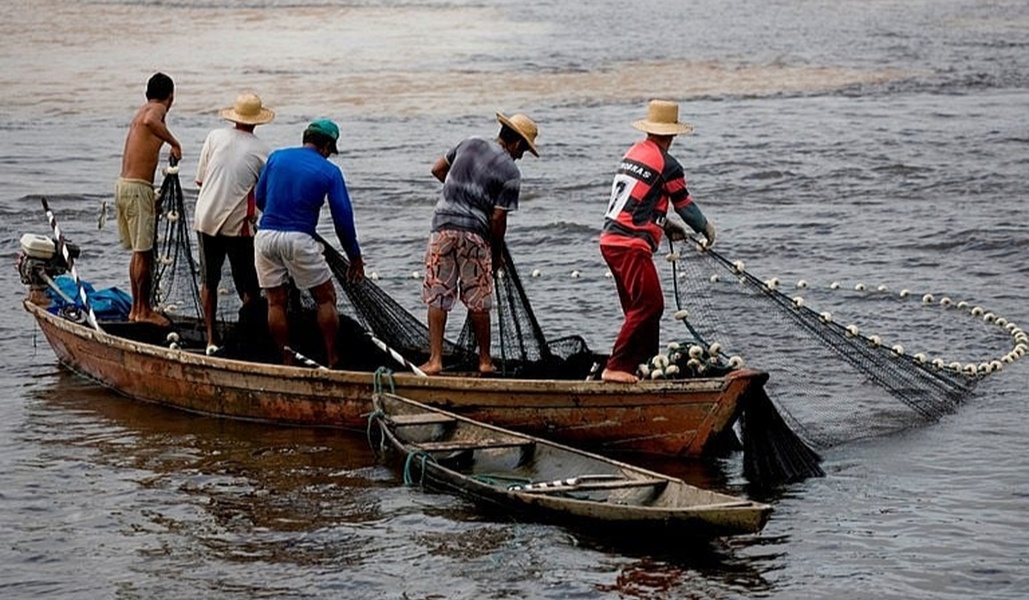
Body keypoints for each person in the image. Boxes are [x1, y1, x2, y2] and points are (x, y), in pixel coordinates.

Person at [599, 100, 716, 383]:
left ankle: (646, 363)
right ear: (673, 134)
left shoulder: (634, 152)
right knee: (650, 306)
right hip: (631, 245)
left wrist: (665, 225)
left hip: (611, 240)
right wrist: (705, 228)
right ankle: (615, 367)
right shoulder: (668, 165)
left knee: (638, 309)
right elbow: (685, 206)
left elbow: (639, 200)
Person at [419, 111, 540, 376]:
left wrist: (460, 190)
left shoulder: (469, 142)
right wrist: (497, 254)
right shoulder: (511, 172)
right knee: (478, 299)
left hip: (442, 227)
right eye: (523, 150)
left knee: (438, 294)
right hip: (474, 234)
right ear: (517, 143)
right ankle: (485, 361)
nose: (521, 156)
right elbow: (497, 218)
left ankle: (435, 360)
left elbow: (437, 169)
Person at [254, 119, 364, 367]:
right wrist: (354, 257)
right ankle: (333, 359)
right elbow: (343, 219)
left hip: (265, 235)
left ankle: (287, 360)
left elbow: (260, 198)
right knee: (325, 298)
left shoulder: (276, 157)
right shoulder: (330, 171)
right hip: (299, 239)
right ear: (326, 146)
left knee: (275, 302)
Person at [194, 92, 275, 355]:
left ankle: (210, 339)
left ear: (235, 117)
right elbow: (264, 195)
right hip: (237, 224)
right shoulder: (262, 151)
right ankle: (247, 337)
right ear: (257, 120)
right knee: (249, 285)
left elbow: (201, 180)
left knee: (209, 281)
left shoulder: (214, 137)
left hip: (205, 217)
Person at [116, 72, 182, 326]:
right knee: (143, 253)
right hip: (136, 189)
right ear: (170, 97)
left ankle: (137, 310)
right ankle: (143, 311)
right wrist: (174, 143)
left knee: (139, 252)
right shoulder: (155, 110)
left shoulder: (141, 111)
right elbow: (151, 120)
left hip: (125, 186)